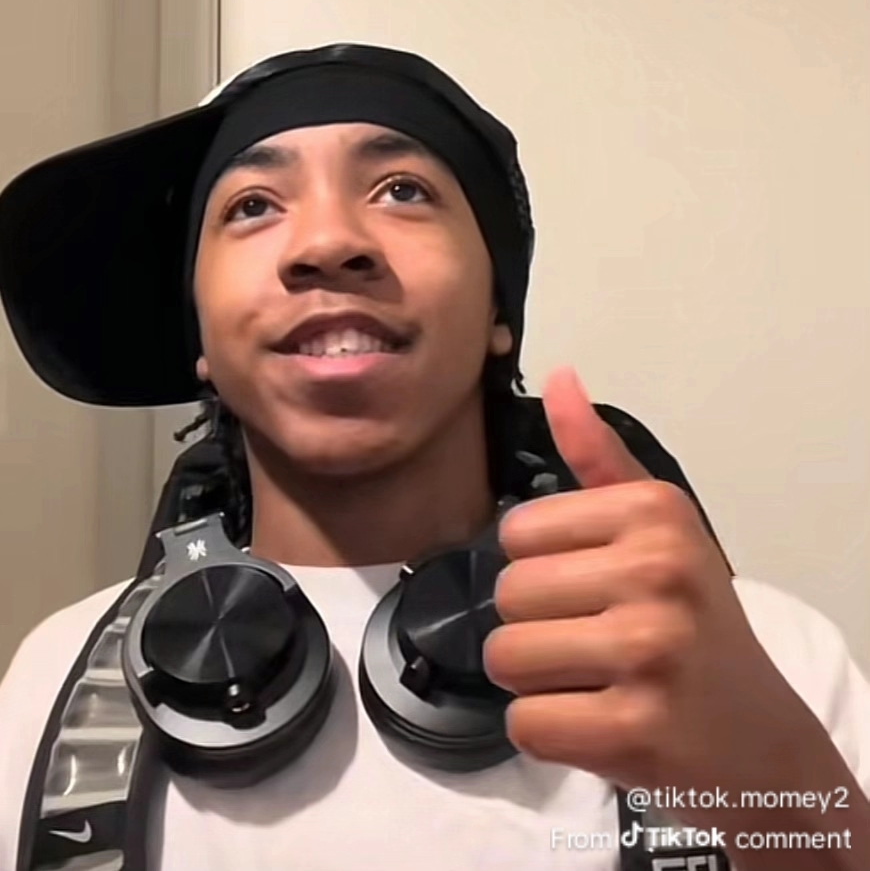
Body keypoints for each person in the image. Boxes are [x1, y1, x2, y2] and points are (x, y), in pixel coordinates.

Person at [0, 43, 867, 871]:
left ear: (498, 310)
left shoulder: (753, 654)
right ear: (199, 336)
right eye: (254, 206)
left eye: (402, 190)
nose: (327, 243)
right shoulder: (52, 683)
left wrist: (774, 775)